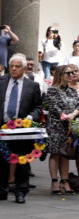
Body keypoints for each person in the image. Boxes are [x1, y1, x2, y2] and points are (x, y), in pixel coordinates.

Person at [0, 54, 43, 203]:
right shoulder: (0, 84)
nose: (13, 69)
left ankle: (20, 191)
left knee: (22, 161)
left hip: (22, 130)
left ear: (24, 68)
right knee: (2, 161)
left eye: (17, 66)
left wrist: (30, 118)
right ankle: (1, 190)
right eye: (11, 66)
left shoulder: (32, 86)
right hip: (3, 129)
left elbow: (38, 107)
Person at [42, 64, 79, 194]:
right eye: (68, 73)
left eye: (72, 73)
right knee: (56, 152)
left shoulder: (73, 90)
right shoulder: (53, 90)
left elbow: (78, 105)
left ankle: (65, 181)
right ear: (60, 75)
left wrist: (73, 114)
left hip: (69, 126)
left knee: (66, 154)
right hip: (56, 125)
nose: (71, 75)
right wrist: (64, 116)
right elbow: (53, 106)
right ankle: (54, 181)